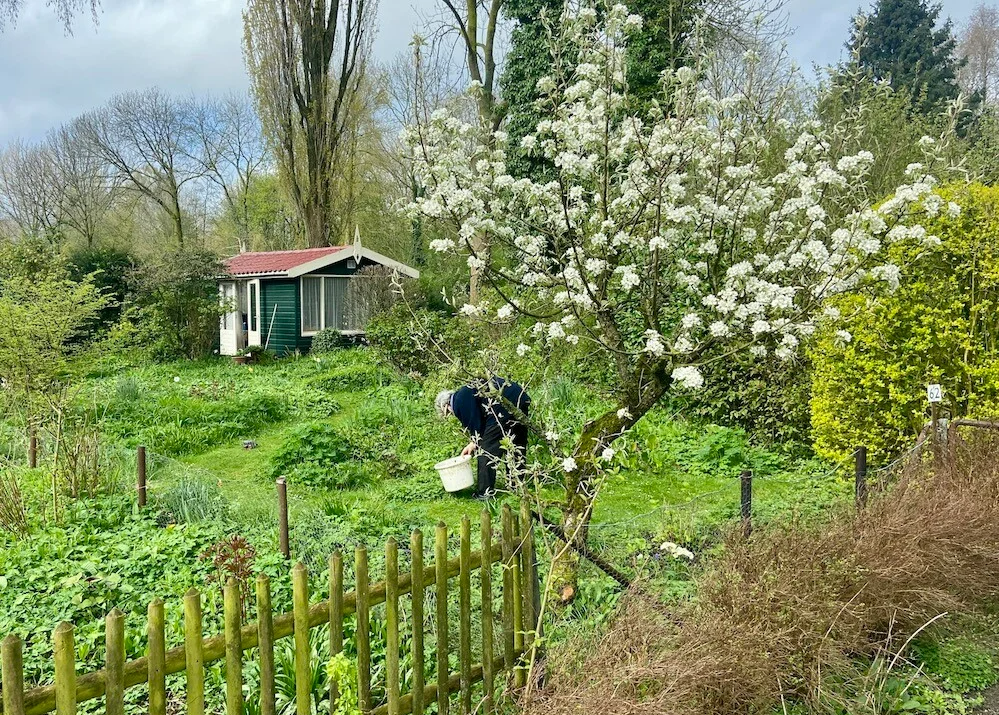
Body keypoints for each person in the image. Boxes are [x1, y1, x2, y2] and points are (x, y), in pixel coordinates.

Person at [435, 376, 531, 497]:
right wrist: (474, 442)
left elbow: (476, 425)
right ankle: (516, 484)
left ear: (446, 406)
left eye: (449, 413)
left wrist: (474, 443)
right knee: (516, 443)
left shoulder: (458, 401)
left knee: (487, 450)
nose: (453, 414)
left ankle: (484, 493)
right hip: (520, 398)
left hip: (501, 408)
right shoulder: (466, 391)